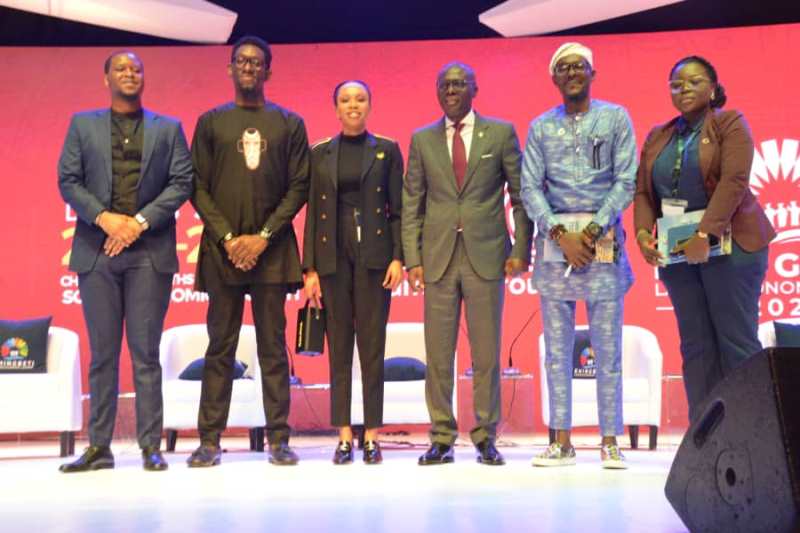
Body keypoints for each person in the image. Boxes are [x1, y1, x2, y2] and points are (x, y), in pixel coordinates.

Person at [58, 50, 193, 472]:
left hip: (148, 254)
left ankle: (150, 445)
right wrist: (105, 219)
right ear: (106, 79)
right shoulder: (83, 124)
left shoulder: (168, 128)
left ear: (143, 78)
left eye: (136, 69)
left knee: (146, 354)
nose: (129, 74)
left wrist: (136, 223)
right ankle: (99, 447)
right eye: (121, 68)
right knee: (102, 355)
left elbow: (182, 181)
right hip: (97, 253)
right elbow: (68, 180)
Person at [402, 61, 533, 466]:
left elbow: (521, 192)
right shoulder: (422, 139)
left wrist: (520, 250)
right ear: (437, 92)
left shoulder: (501, 132)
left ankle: (485, 436)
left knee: (486, 353)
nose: (452, 90)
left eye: (460, 84)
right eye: (445, 85)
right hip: (438, 257)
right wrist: (412, 258)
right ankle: (441, 436)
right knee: (438, 355)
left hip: (488, 254)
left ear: (475, 89)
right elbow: (412, 202)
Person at [187, 35, 310, 467]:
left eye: (257, 63)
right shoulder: (211, 122)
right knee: (220, 345)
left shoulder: (289, 123)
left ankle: (279, 438)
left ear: (268, 71)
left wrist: (262, 236)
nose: (249, 67)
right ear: (229, 68)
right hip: (222, 253)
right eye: (241, 61)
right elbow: (195, 186)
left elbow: (299, 186)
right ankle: (209, 440)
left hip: (272, 253)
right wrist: (228, 238)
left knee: (273, 347)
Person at [634, 55, 774, 421]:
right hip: (679, 255)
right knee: (695, 346)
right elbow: (643, 194)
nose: (684, 89)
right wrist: (642, 233)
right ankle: (705, 438)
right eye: (676, 83)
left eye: (694, 81)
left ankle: (753, 433)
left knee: (735, 341)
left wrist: (704, 233)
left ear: (713, 88)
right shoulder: (658, 136)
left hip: (733, 249)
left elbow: (734, 181)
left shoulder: (730, 122)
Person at [521, 42, 636, 469]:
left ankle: (609, 441)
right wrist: (559, 232)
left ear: (592, 73)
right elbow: (530, 187)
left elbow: (625, 181)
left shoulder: (615, 118)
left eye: (580, 66)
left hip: (602, 240)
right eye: (564, 67)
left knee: (607, 347)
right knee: (557, 350)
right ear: (554, 78)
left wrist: (589, 231)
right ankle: (562, 441)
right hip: (555, 247)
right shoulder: (539, 128)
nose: (572, 73)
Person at [303, 80, 404, 465]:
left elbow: (398, 209)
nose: (353, 105)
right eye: (345, 100)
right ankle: (344, 434)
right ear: (335, 108)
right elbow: (312, 212)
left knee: (373, 346)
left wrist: (398, 257)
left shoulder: (387, 150)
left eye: (360, 99)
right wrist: (309, 268)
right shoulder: (321, 153)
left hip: (375, 255)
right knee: (340, 346)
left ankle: (373, 435)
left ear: (370, 105)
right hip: (331, 255)